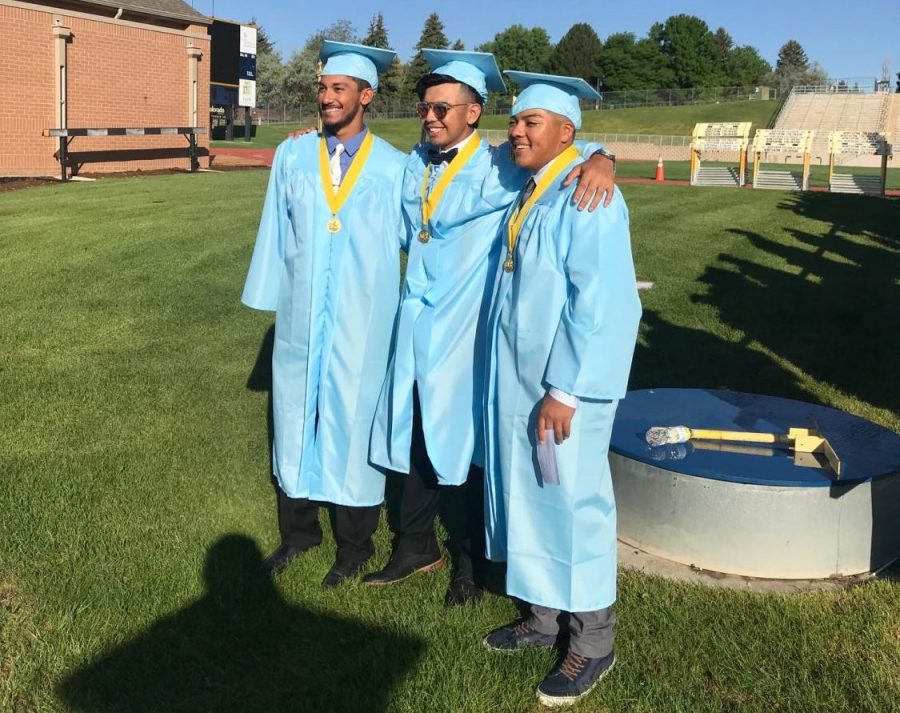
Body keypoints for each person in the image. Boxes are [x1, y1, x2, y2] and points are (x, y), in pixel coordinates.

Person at [366, 50, 617, 606]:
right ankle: (413, 544)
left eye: (441, 107)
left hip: (473, 332)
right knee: (413, 435)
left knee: (470, 446)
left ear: (473, 113)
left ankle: (469, 560)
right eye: (423, 107)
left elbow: (563, 152)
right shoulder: (414, 162)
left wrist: (604, 157)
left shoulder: (500, 164)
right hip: (417, 323)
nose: (429, 117)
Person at [480, 71, 642, 707]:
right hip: (527, 382)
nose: (516, 132)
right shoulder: (537, 186)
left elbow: (599, 303)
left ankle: (592, 641)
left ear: (566, 132)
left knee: (575, 502)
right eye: (515, 122)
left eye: (531, 123)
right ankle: (544, 617)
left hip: (565, 386)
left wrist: (566, 390)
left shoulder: (587, 195)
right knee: (535, 495)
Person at [241, 41, 406, 589]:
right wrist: (273, 295)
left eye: (339, 89)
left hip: (363, 317)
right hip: (302, 313)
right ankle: (298, 534)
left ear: (366, 96)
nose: (327, 97)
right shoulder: (293, 155)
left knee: (353, 419)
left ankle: (354, 545)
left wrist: (599, 157)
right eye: (323, 88)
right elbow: (275, 229)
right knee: (293, 416)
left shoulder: (395, 168)